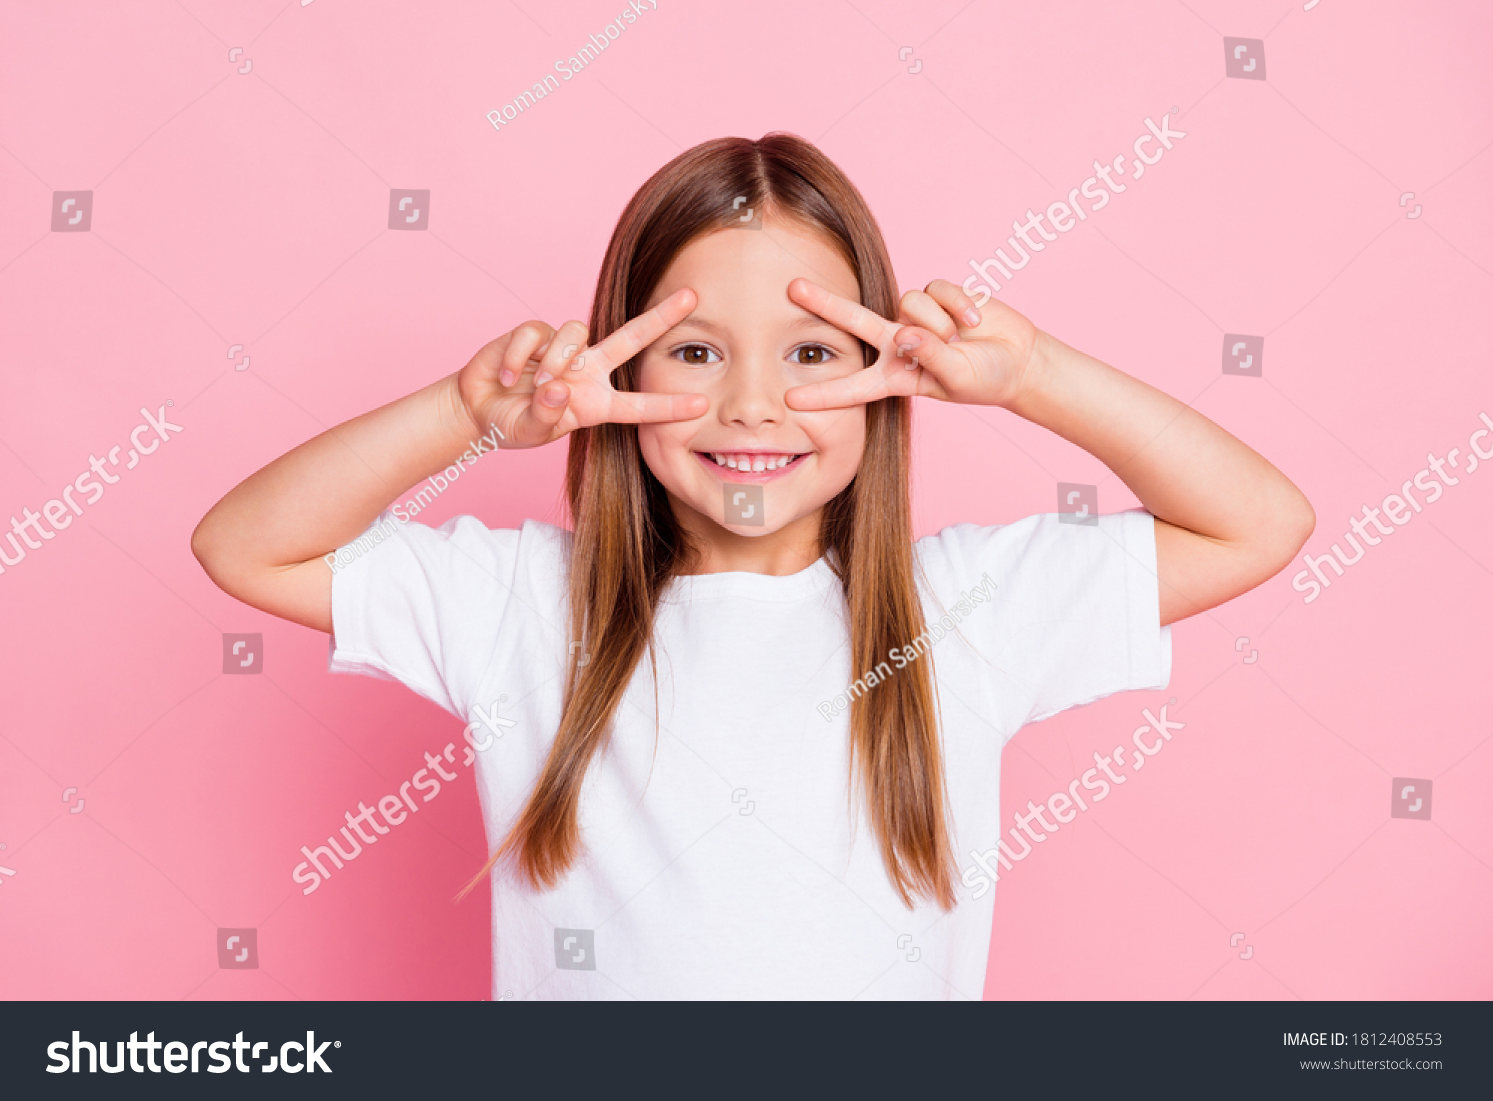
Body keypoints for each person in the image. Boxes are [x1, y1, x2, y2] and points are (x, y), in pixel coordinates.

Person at [191, 133, 1314, 999]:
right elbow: (243, 544)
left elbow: (1258, 522)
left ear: (887, 371)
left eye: (812, 353)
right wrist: (463, 413)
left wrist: (1033, 375)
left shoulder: (965, 611)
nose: (750, 405)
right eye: (693, 352)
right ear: (616, 365)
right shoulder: (525, 606)